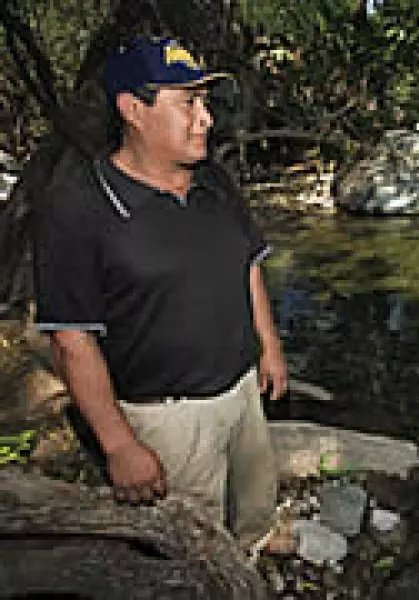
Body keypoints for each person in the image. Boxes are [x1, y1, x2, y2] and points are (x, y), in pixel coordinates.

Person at [32, 36, 291, 555]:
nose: (206, 119)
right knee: (193, 550)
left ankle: (257, 554)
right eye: (187, 103)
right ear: (133, 110)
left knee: (256, 507)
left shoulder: (215, 181)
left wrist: (270, 347)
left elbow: (247, 267)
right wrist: (120, 444)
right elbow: (71, 339)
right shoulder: (79, 210)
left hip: (242, 393)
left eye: (205, 102)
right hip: (169, 420)